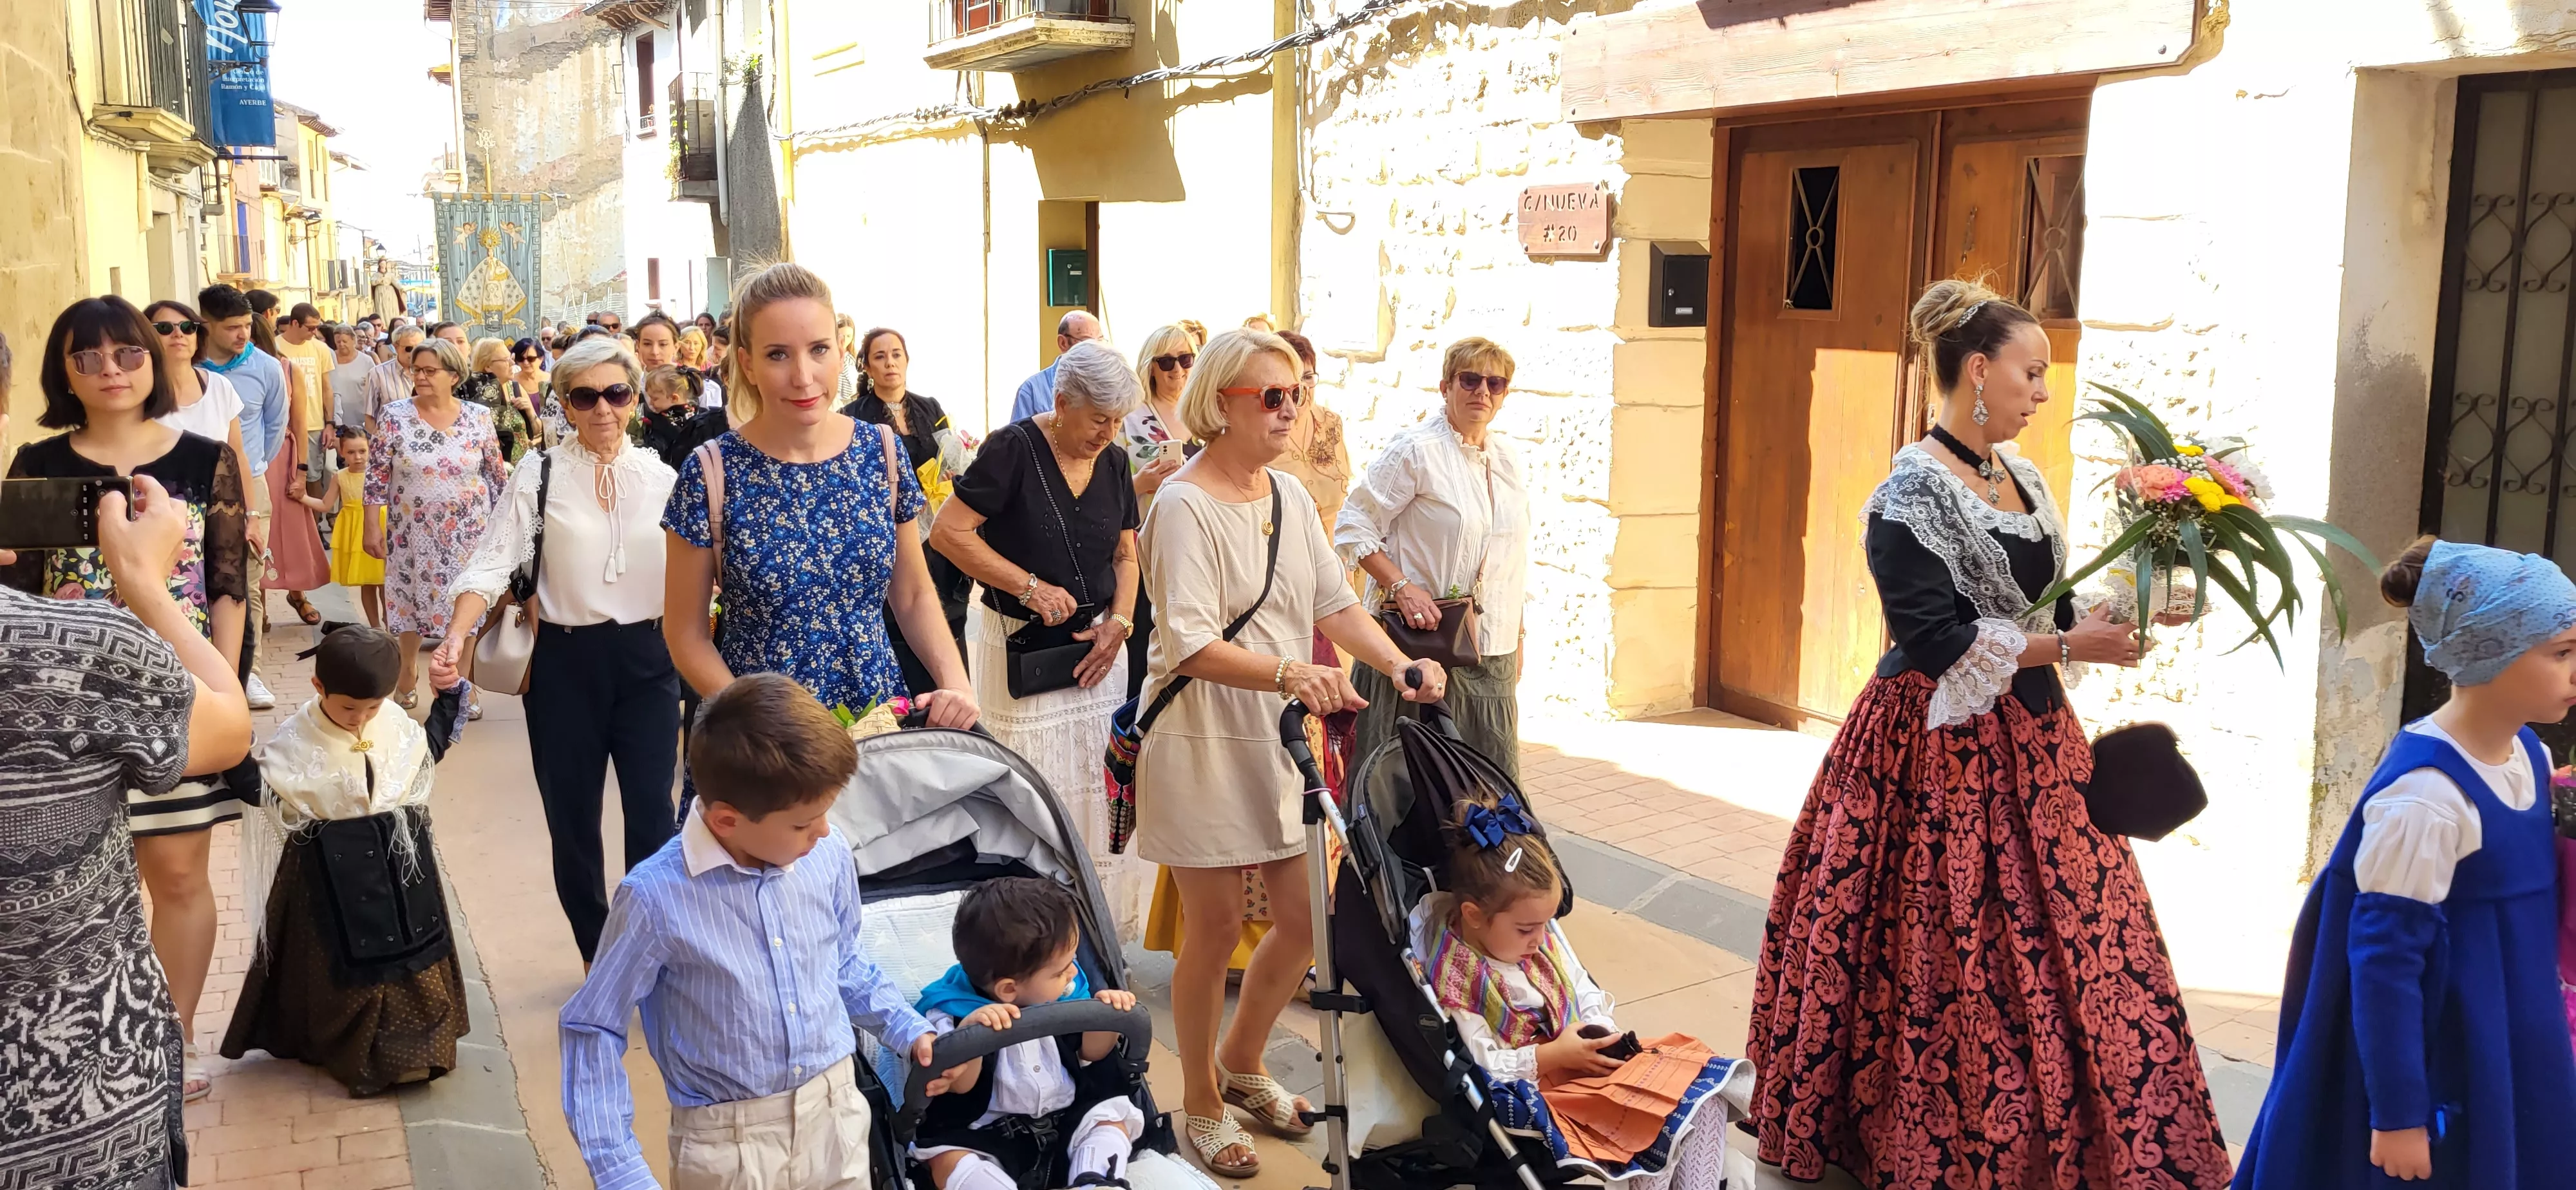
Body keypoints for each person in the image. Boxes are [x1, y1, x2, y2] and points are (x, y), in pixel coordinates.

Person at [1748, 279, 2226, 1187]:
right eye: (2031, 372)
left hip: (2039, 742)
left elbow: (2039, 601)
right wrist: (2061, 642)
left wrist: (2125, 612)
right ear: (1978, 370)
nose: (2043, 392)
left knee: (2083, 942)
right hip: (1934, 753)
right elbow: (1931, 639)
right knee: (1943, 948)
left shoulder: (2024, 478)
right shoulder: (1909, 493)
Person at [1130, 328, 1448, 1176]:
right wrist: (1290, 672)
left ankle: (1241, 1061)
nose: (1288, 411)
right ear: (1222, 405)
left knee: (1306, 923)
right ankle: (1198, 1098)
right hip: (1200, 735)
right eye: (1271, 397)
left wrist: (1397, 663)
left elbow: (1336, 602)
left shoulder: (1287, 497)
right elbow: (1190, 642)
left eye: (1296, 394)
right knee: (1215, 929)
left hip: (1272, 736)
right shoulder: (1183, 505)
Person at [2237, 538, 2576, 1186]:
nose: (2575, 671)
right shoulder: (2427, 796)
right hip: (2448, 1056)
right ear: (2490, 655)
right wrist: (2398, 1116)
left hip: (2515, 1042)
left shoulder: (2528, 756)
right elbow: (2384, 962)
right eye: (2559, 653)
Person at [559, 674, 970, 1190]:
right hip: (728, 1150)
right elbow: (594, 1028)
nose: (823, 831)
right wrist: (619, 1171)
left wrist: (909, 1029)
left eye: (827, 813)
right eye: (803, 823)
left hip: (836, 1118)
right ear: (728, 821)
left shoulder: (828, 852)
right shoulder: (654, 898)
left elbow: (843, 962)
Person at [3, 296, 253, 1106]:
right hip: (64, 717)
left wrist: (226, 687)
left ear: (155, 359)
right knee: (76, 885)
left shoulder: (204, 456)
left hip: (176, 698)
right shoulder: (37, 465)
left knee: (179, 874)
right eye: (87, 357)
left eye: (126, 353)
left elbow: (226, 586)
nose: (110, 370)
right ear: (63, 373)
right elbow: (18, 590)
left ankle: (170, 1041)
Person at [441, 337, 683, 965]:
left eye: (617, 394)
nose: (603, 408)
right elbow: (493, 561)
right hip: (564, 666)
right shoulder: (539, 473)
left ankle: (647, 949)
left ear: (634, 400)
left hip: (650, 664)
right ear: (564, 404)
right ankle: (597, 955)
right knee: (573, 824)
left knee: (654, 821)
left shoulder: (664, 479)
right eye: (586, 396)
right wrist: (454, 635)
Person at [661, 261, 978, 729]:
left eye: (818, 349)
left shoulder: (882, 454)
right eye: (777, 355)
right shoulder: (711, 472)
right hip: (763, 740)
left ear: (841, 352)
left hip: (873, 726)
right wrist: (752, 719)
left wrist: (957, 686)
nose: (804, 376)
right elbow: (686, 633)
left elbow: (911, 595)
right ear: (747, 364)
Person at [929, 339, 1147, 936]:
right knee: (1032, 791)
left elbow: (1128, 556)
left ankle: (1095, 936)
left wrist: (1121, 626)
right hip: (1021, 651)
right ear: (1062, 401)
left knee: (1100, 795)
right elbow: (949, 533)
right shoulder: (1012, 449)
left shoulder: (1114, 462)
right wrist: (1028, 587)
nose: (1108, 432)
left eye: (1117, 420)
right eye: (1098, 418)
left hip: (1100, 655)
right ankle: (1029, 937)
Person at [1420, 784, 1739, 1185]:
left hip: (1584, 1061)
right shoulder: (1459, 979)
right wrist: (1554, 1055)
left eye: (1546, 924)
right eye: (1526, 929)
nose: (1539, 939)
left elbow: (1579, 985)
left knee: (1703, 1099)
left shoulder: (1533, 935)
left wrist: (1600, 1030)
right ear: (1474, 915)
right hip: (1545, 1087)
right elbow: (1483, 1064)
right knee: (1657, 1124)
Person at [221, 627, 473, 1095]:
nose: (361, 720)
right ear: (319, 688)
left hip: (402, 865)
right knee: (344, 967)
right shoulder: (297, 738)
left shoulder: (393, 723)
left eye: (373, 708)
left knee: (416, 952)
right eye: (348, 709)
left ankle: (422, 1049)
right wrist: (228, 739)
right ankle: (357, 1050)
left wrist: (448, 698)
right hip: (328, 875)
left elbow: (426, 752)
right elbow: (259, 788)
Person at [1337, 335, 1527, 783]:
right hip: (1419, 645)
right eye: (1470, 379)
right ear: (1446, 386)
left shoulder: (1507, 460)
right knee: (1408, 786)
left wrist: (1519, 635)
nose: (1482, 390)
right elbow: (1354, 523)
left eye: (1495, 383)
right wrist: (1402, 588)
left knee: (1488, 788)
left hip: (1489, 650)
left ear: (1504, 395)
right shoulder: (1416, 450)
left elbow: (1510, 558)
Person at [913, 878, 1146, 1190]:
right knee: (946, 1160)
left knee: (1110, 1119)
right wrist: (970, 1036)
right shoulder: (951, 1011)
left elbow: (1092, 1055)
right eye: (1061, 971)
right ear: (1009, 989)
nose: (1074, 973)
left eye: (1073, 961)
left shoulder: (1068, 994)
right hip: (986, 1134)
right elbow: (961, 1087)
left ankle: (1094, 1183)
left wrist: (1104, 1017)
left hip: (1066, 1119)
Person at [365, 335, 506, 707]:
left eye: (431, 370)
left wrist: (503, 530)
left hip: (469, 531)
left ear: (454, 376)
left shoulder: (479, 417)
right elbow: (377, 474)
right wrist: (371, 524)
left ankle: (464, 679)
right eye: (416, 370)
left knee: (469, 604)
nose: (421, 377)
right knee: (409, 602)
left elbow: (495, 476)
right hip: (412, 532)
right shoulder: (394, 415)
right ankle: (408, 668)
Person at [842, 326, 973, 697]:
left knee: (944, 606)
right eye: (880, 357)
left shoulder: (929, 406)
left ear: (907, 360)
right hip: (886, 529)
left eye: (896, 355)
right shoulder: (853, 416)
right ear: (866, 365)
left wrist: (951, 476)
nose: (890, 364)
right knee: (898, 611)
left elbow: (952, 456)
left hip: (934, 528)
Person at [200, 283, 287, 706]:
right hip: (190, 491)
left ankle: (245, 673)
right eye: (232, 327)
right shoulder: (186, 367)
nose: (243, 335)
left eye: (247, 326)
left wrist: (252, 473)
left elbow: (275, 427)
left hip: (249, 492)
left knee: (247, 582)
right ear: (207, 326)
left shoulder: (267, 368)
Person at [1118, 325, 1197, 701]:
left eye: (1185, 359)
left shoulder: (1205, 412)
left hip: (1199, 547)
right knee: (1145, 646)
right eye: (1167, 361)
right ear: (1150, 366)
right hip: (1143, 546)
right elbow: (1099, 489)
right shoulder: (1130, 418)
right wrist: (1138, 485)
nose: (1177, 370)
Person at [305, 426, 384, 627]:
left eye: (362, 451)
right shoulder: (340, 476)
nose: (357, 457)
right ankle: (375, 627)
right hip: (356, 532)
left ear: (370, 450)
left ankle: (392, 625)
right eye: (351, 452)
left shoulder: (380, 473)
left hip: (381, 527)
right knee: (367, 583)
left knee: (386, 582)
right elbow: (325, 505)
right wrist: (302, 498)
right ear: (342, 453)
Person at [1009, 310, 1104, 423]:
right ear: (1063, 343)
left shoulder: (1107, 383)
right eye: (1087, 342)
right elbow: (1020, 439)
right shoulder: (1031, 391)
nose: (1097, 349)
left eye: (1100, 340)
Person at [463, 336, 536, 466]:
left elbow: (537, 430)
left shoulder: (515, 388)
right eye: (506, 360)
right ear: (488, 366)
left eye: (511, 358)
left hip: (525, 469)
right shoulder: (475, 397)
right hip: (496, 471)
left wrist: (530, 412)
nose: (513, 363)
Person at [639, 364, 728, 469]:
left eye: (655, 399)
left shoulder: (663, 423)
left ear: (674, 398)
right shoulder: (702, 414)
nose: (651, 403)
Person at [365, 325, 427, 437]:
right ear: (395, 346)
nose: (414, 353)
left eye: (419, 348)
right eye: (409, 348)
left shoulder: (432, 373)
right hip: (393, 443)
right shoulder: (378, 374)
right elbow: (370, 418)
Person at [327, 323, 378, 437]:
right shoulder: (329, 359)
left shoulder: (366, 361)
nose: (341, 345)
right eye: (338, 342)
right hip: (334, 420)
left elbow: (375, 389)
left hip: (360, 420)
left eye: (345, 341)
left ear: (353, 339)